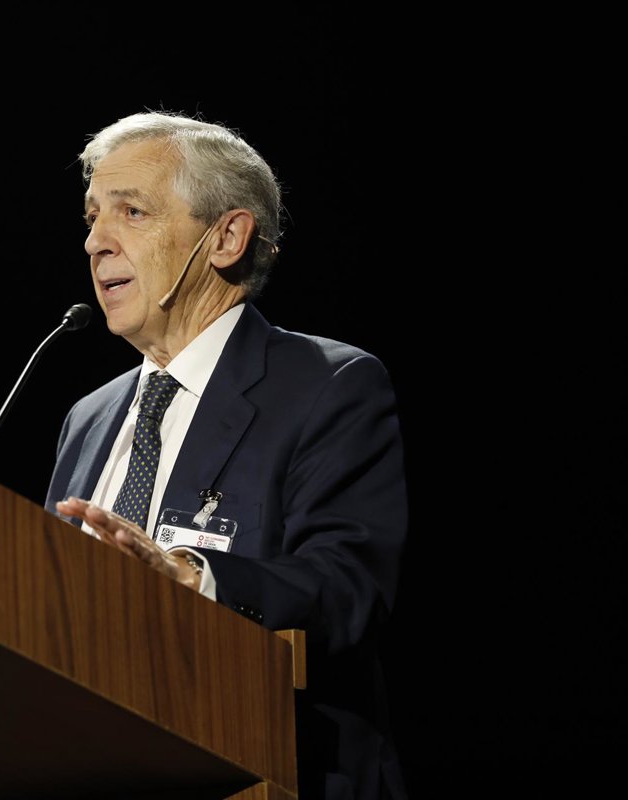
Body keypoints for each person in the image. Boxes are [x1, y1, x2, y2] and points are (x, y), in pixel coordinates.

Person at [46, 112, 408, 800]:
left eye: (131, 211)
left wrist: (190, 581)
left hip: (270, 768)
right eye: (92, 218)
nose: (95, 241)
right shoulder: (88, 418)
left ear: (226, 238)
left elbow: (347, 590)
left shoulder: (327, 385)